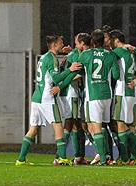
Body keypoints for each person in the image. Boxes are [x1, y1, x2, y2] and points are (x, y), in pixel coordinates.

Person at [15, 35, 82, 166]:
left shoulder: (44, 57)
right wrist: (70, 69)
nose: (62, 44)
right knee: (58, 125)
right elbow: (56, 79)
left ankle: (21, 159)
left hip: (37, 97)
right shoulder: (52, 58)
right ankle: (62, 157)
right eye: (60, 42)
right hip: (47, 97)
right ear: (54, 45)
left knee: (33, 129)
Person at [76, 29, 119, 165]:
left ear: (92, 41)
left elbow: (76, 69)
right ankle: (107, 154)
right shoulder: (111, 55)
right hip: (107, 94)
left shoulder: (86, 54)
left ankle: (103, 158)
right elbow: (116, 76)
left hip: (93, 95)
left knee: (95, 127)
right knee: (103, 126)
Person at [51, 33, 92, 165]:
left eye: (75, 43)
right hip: (71, 93)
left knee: (75, 124)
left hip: (68, 93)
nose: (73, 45)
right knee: (71, 123)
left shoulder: (71, 55)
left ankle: (78, 157)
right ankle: (59, 156)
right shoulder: (75, 56)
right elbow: (75, 75)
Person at [109, 29, 136, 165]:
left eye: (111, 40)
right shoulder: (131, 53)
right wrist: (134, 81)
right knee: (130, 126)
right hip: (131, 92)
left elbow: (107, 58)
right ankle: (134, 156)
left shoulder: (118, 52)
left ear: (116, 40)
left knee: (120, 124)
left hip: (122, 91)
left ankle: (125, 157)